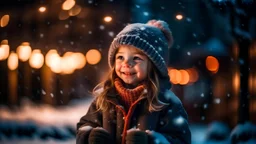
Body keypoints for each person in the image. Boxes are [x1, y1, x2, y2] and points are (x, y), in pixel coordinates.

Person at [76, 19, 191, 144]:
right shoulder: (104, 98)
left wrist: (151, 141)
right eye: (120, 57)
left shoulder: (166, 103)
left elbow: (181, 140)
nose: (126, 63)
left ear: (153, 65)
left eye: (136, 58)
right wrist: (89, 136)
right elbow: (83, 127)